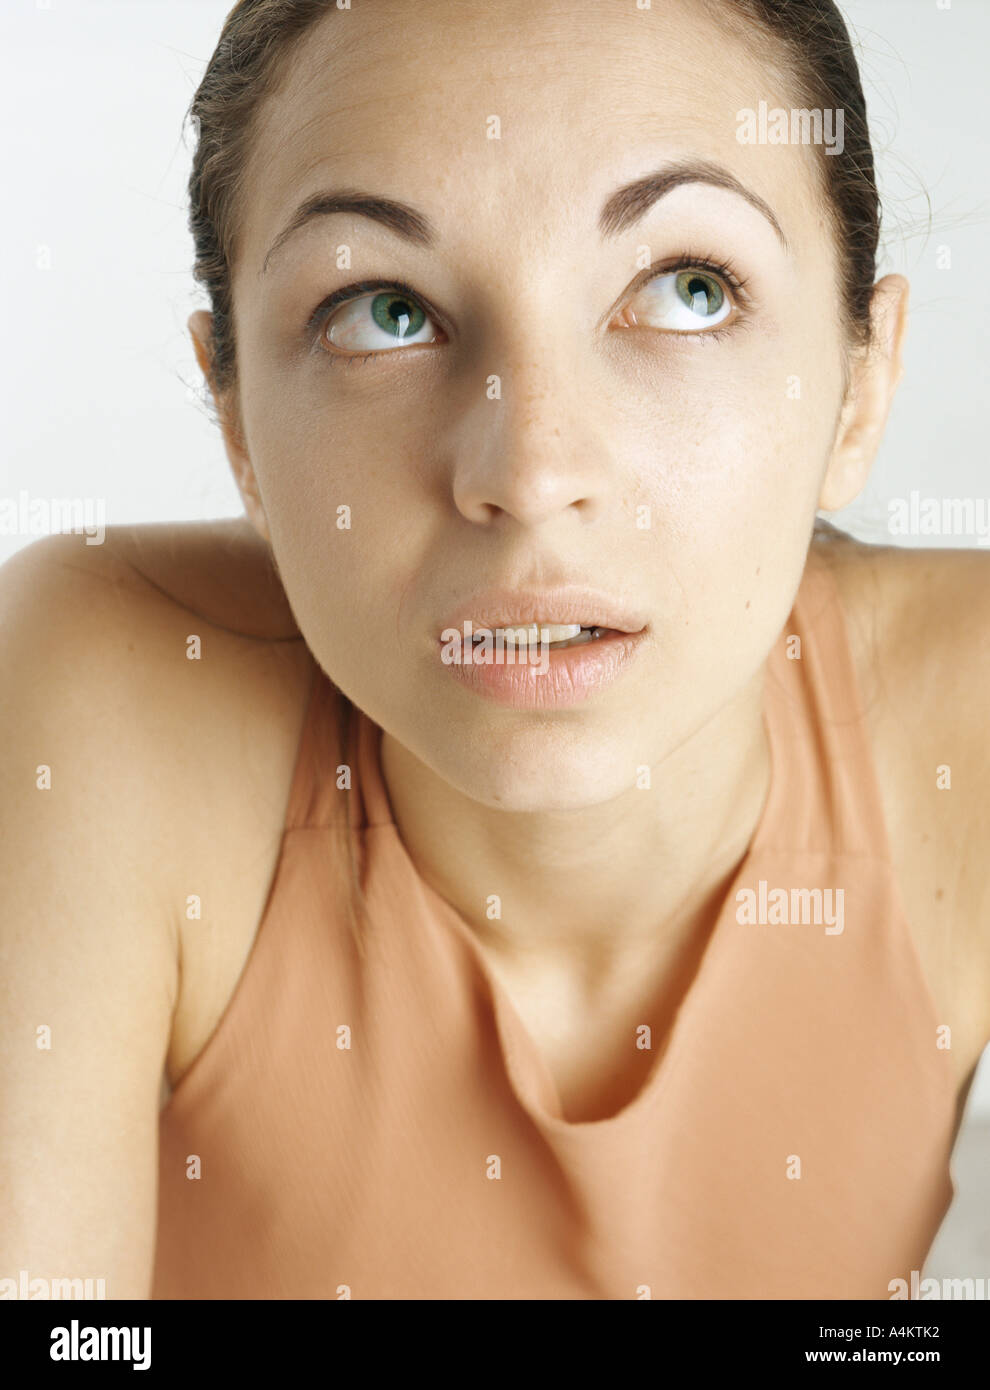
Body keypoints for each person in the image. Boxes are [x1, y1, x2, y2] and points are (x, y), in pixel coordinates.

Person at [3, 0, 988, 1301]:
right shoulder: (111, 683)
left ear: (860, 384)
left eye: (684, 292)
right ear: (235, 422)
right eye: (383, 310)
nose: (527, 473)